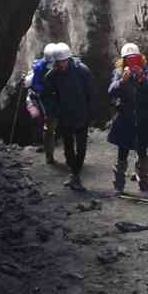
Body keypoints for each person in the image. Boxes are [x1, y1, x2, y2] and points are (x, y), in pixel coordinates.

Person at [44, 42, 97, 191]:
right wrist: (55, 111)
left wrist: (91, 114)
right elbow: (47, 95)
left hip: (81, 114)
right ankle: (74, 174)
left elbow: (91, 93)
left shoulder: (82, 71)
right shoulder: (53, 75)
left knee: (81, 147)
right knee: (68, 147)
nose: (61, 64)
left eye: (63, 61)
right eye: (58, 62)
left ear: (68, 59)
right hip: (65, 116)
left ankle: (76, 174)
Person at [108, 42, 148, 194]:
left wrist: (142, 78)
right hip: (125, 119)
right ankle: (119, 185)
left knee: (142, 153)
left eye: (135, 58)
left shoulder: (146, 73)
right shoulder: (118, 73)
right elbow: (111, 91)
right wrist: (121, 82)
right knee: (122, 153)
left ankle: (143, 182)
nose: (132, 62)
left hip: (142, 119)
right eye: (129, 59)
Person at [24, 43, 58, 163]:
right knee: (41, 122)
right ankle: (45, 149)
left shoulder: (48, 65)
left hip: (48, 98)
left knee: (47, 125)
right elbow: (37, 86)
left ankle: (46, 147)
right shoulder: (40, 67)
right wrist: (47, 90)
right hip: (40, 99)